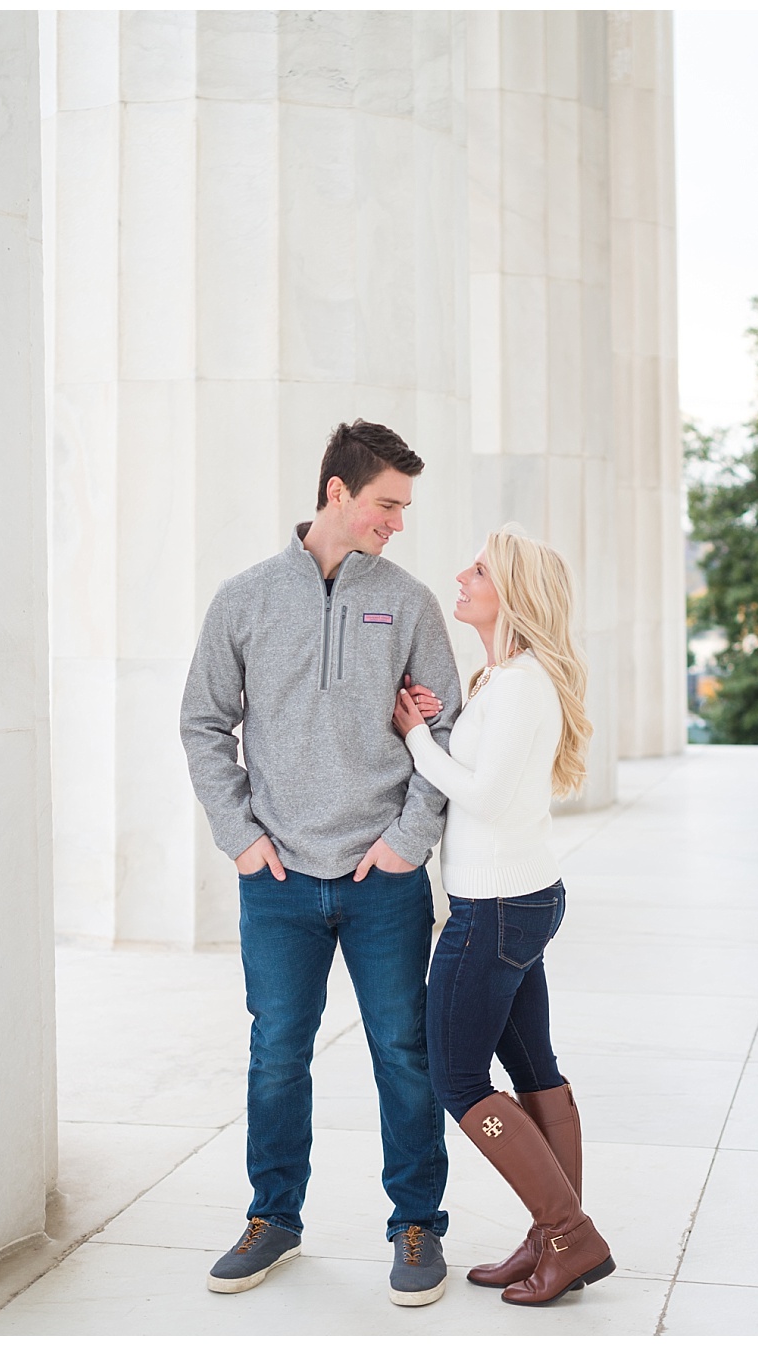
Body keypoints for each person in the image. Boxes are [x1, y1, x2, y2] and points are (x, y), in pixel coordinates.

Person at [180, 419, 463, 1306]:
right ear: (337, 493)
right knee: (276, 1054)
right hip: (278, 878)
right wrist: (240, 834)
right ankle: (276, 1219)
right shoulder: (245, 597)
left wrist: (407, 844)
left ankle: (417, 1224)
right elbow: (201, 723)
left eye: (405, 507)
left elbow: (447, 730)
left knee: (403, 1052)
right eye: (388, 503)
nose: (399, 522)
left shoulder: (408, 601)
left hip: (382, 877)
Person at [389, 524, 613, 1306]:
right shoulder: (503, 681)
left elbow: (475, 793)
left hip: (494, 912)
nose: (462, 575)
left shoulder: (520, 686)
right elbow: (487, 774)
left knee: (457, 1078)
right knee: (534, 1071)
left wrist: (416, 735)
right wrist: (436, 718)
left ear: (510, 593)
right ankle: (553, 1237)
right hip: (517, 901)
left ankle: (569, 1235)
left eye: (478, 569)